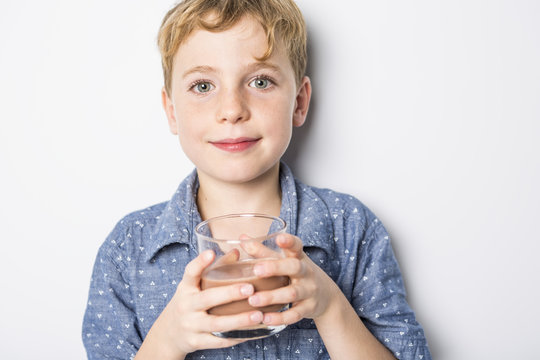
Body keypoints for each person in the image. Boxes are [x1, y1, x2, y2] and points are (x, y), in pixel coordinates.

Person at [82, 0, 432, 359]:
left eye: (260, 81)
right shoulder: (128, 248)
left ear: (298, 102)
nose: (232, 109)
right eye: (203, 86)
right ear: (172, 111)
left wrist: (329, 306)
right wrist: (168, 338)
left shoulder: (350, 228)